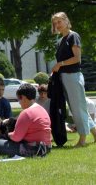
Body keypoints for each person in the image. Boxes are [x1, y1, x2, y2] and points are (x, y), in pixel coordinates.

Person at [51, 12, 96, 147]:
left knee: (77, 109)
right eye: (55, 23)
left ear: (66, 21)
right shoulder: (61, 40)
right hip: (64, 77)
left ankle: (82, 139)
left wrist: (60, 64)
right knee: (79, 108)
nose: (57, 25)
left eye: (59, 22)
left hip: (73, 76)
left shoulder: (73, 36)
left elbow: (77, 58)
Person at [0, 83, 51, 157]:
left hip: (32, 149)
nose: (19, 102)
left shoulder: (26, 112)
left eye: (19, 98)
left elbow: (16, 138)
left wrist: (7, 134)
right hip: (46, 147)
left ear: (23, 97)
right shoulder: (41, 109)